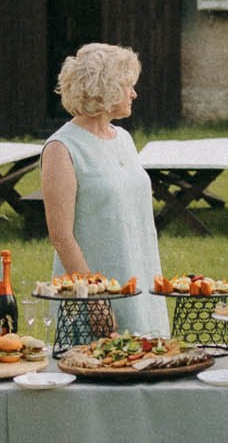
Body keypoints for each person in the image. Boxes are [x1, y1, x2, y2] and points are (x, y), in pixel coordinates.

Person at [39, 43, 168, 334]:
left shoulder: (123, 139)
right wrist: (95, 300)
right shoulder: (62, 148)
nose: (134, 94)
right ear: (104, 89)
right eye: (127, 86)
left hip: (141, 281)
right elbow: (61, 237)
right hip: (94, 292)